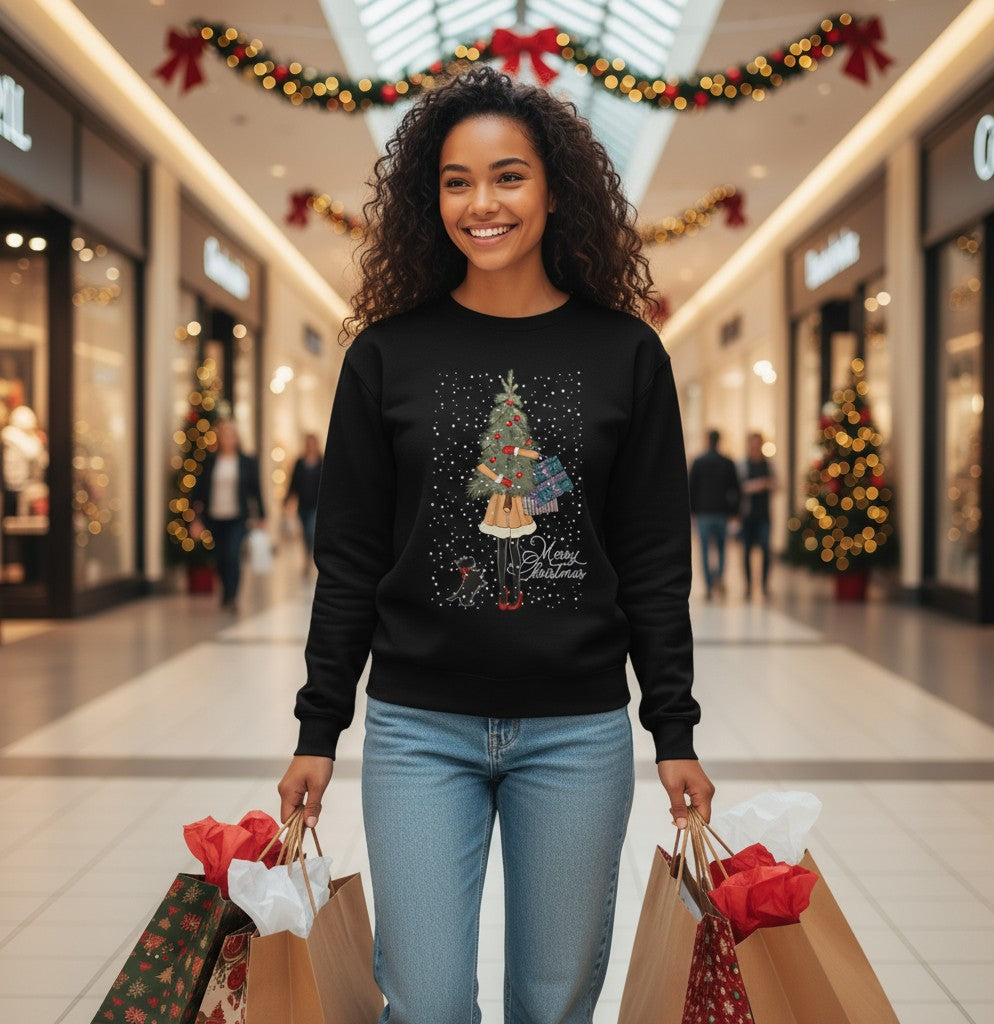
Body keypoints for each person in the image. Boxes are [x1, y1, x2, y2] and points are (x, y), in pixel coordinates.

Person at [276, 66, 714, 1024]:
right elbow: (348, 558)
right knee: (426, 1004)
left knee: (554, 1005)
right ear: (429, 200)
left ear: (556, 189)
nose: (483, 203)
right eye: (456, 181)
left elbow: (650, 559)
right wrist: (319, 727)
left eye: (509, 176)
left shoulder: (627, 354)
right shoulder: (384, 357)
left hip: (578, 731)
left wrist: (672, 729)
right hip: (417, 730)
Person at [191, 419, 266, 611]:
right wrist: (196, 519)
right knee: (221, 557)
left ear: (236, 437)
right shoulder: (210, 461)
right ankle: (225, 591)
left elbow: (255, 490)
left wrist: (262, 515)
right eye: (224, 433)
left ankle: (232, 595)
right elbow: (199, 491)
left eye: (231, 434)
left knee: (233, 554)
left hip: (238, 516)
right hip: (215, 516)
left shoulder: (246, 461)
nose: (228, 438)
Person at [688, 429, 740, 599]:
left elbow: (691, 488)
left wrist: (692, 510)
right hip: (721, 511)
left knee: (704, 550)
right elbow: (735, 489)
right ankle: (719, 578)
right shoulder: (727, 462)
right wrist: (734, 511)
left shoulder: (699, 462)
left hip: (703, 512)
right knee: (721, 548)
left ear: (707, 440)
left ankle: (710, 585)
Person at [740, 430, 777, 599]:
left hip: (764, 515)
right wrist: (756, 485)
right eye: (752, 443)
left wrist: (768, 484)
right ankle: (748, 586)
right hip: (748, 515)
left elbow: (777, 483)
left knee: (765, 549)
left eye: (758, 443)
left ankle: (764, 585)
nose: (755, 446)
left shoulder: (768, 464)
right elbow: (739, 487)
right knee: (746, 551)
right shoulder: (742, 464)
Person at [285, 432, 324, 575]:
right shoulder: (300, 462)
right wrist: (287, 500)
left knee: (310, 531)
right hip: (303, 505)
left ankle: (311, 559)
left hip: (316, 505)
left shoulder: (322, 461)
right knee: (305, 534)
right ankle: (307, 557)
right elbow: (293, 482)